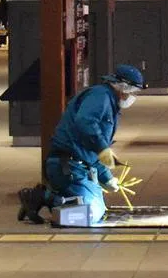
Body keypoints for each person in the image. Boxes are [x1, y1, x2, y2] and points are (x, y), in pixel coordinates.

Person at [17, 64, 147, 225]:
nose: (133, 97)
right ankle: (43, 198)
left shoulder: (108, 102)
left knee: (99, 206)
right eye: (133, 92)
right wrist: (103, 149)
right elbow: (86, 124)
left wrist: (107, 178)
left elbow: (92, 151)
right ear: (123, 89)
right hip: (68, 166)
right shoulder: (100, 97)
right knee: (92, 212)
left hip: (79, 166)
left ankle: (49, 198)